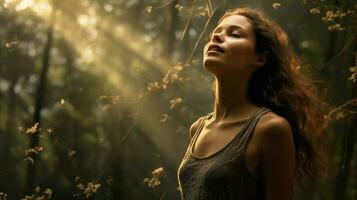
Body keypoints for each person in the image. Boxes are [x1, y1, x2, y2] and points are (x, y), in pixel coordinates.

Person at [177, 7, 326, 200]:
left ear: (260, 58)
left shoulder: (270, 129)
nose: (216, 38)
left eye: (235, 34)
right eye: (215, 33)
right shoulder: (197, 128)